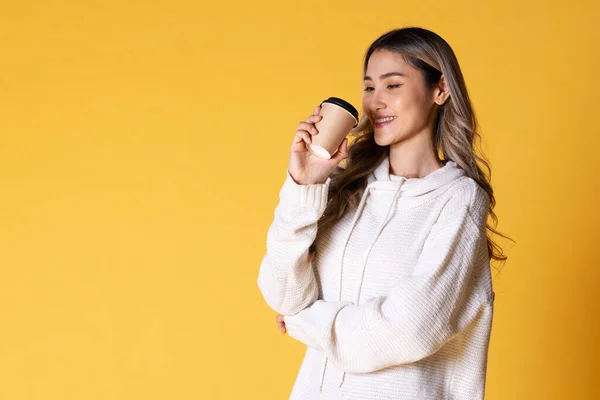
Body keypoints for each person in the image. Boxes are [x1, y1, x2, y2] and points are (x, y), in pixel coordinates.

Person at [257, 26, 510, 400]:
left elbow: (407, 329)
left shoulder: (458, 199)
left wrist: (306, 321)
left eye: (392, 85)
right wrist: (304, 183)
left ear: (440, 89)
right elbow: (283, 295)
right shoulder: (345, 185)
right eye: (369, 87)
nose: (375, 102)